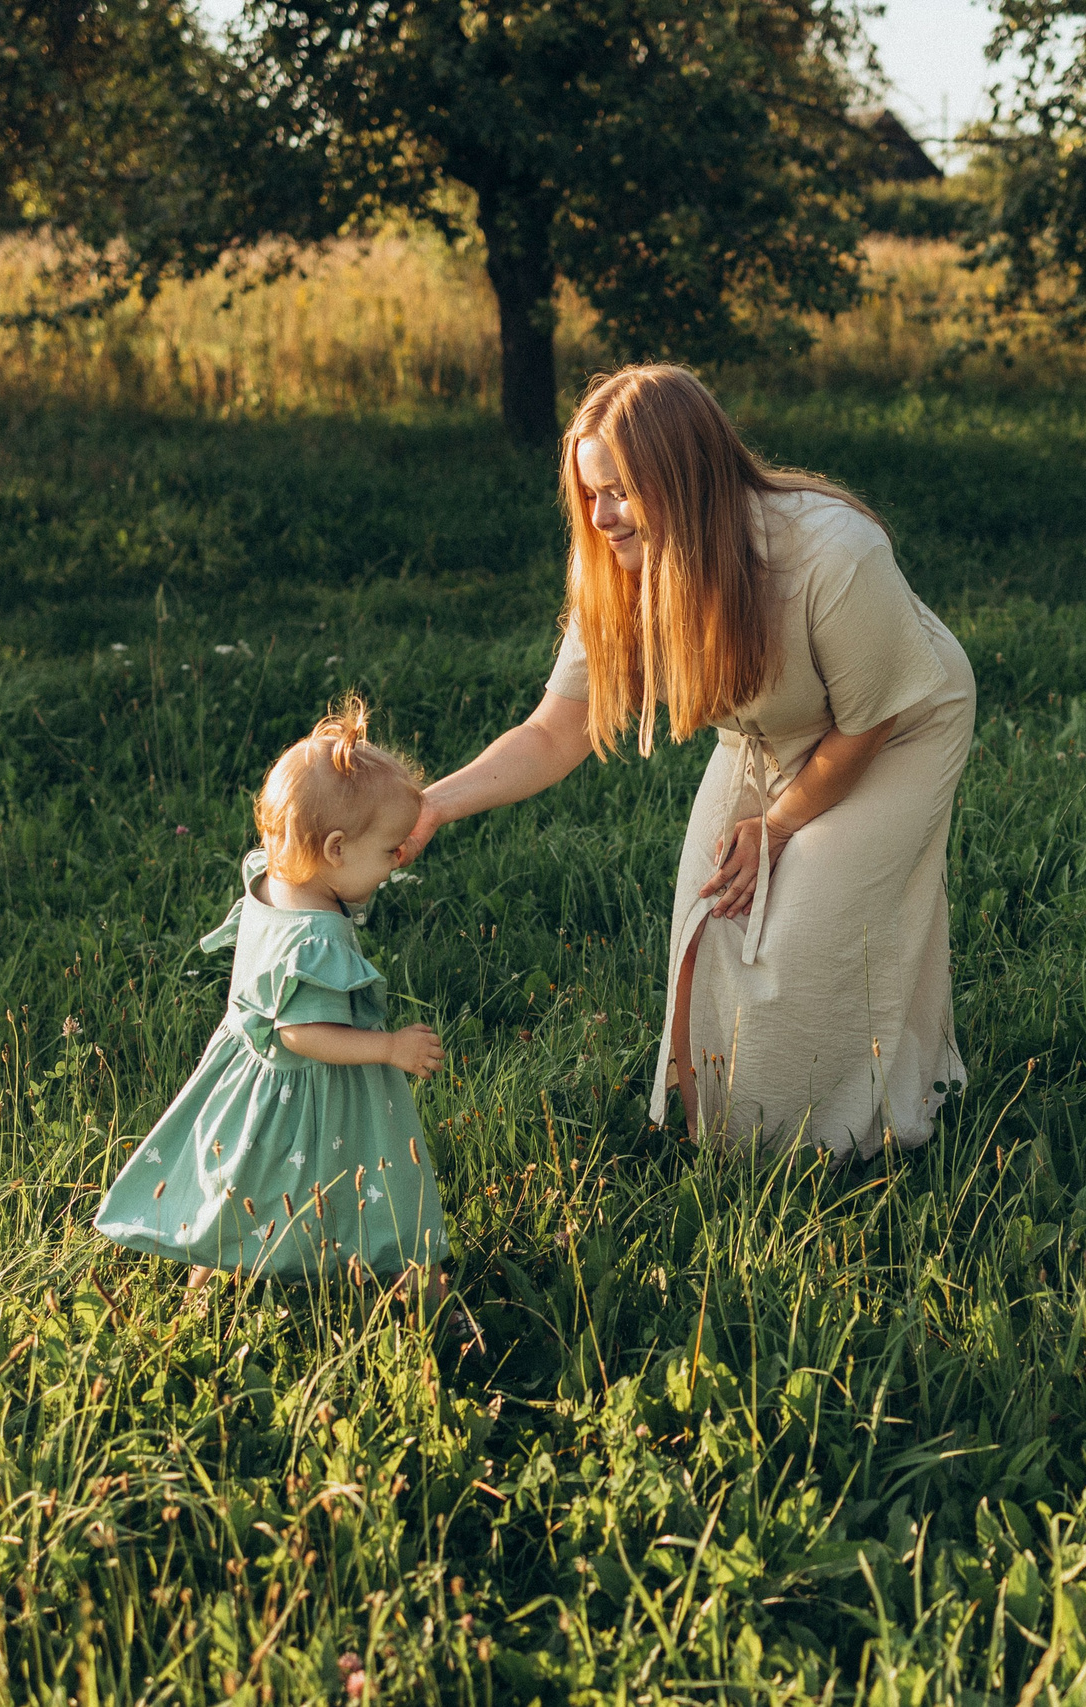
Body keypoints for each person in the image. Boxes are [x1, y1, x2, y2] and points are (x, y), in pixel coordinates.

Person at [397, 364, 975, 1159]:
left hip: (896, 725)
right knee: (710, 922)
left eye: (621, 491)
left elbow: (865, 725)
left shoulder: (833, 553)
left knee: (805, 932)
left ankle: (845, 1143)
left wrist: (778, 826)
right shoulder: (618, 566)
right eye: (589, 493)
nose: (600, 516)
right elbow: (554, 733)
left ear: (687, 477)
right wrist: (435, 802)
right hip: (765, 729)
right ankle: (724, 1135)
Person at [94, 695, 452, 1288]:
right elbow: (300, 1033)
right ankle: (423, 1294)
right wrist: (389, 1048)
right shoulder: (317, 939)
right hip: (312, 1092)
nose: (397, 862)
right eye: (389, 850)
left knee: (240, 1187)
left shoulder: (270, 878)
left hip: (250, 1085)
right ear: (335, 849)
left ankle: (205, 1289)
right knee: (384, 1187)